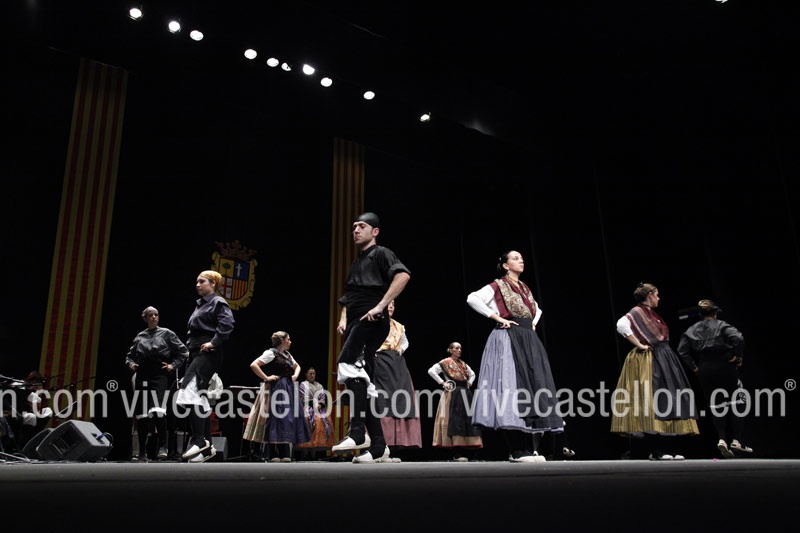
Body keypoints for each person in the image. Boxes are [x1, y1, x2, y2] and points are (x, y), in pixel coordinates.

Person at [466, 250, 563, 463]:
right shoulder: (498, 285)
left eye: (521, 258)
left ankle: (529, 447)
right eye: (515, 258)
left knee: (531, 388)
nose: (521, 261)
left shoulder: (524, 288)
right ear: (505, 265)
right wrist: (496, 317)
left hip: (527, 338)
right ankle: (516, 449)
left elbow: (537, 310)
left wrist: (533, 323)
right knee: (511, 388)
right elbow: (472, 298)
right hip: (509, 338)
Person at [331, 212, 411, 464]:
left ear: (374, 231)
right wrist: (344, 317)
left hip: (371, 320)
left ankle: (357, 431)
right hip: (357, 321)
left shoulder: (382, 253)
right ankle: (378, 445)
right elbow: (350, 295)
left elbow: (403, 275)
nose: (355, 230)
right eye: (354, 226)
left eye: (361, 226)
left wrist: (381, 306)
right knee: (362, 382)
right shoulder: (358, 262)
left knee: (348, 365)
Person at [611, 282, 699, 460]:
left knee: (669, 400)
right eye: (656, 295)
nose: (659, 298)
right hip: (650, 359)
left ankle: (668, 447)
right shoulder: (637, 312)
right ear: (649, 295)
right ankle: (657, 449)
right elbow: (621, 324)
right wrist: (639, 344)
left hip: (664, 356)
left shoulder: (651, 314)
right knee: (653, 400)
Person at [677, 299, 752, 458]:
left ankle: (722, 439)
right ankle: (737, 440)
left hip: (705, 368)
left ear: (700, 314)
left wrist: (694, 367)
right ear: (716, 312)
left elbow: (682, 350)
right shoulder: (722, 325)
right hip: (724, 365)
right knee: (737, 401)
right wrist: (738, 356)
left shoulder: (692, 329)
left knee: (716, 404)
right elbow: (738, 338)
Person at [177, 270, 235, 463]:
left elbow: (227, 325)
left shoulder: (218, 302)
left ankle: (200, 440)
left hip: (208, 353)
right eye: (197, 281)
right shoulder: (200, 305)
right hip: (196, 353)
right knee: (199, 397)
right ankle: (207, 448)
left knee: (188, 390)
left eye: (202, 281)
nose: (198, 285)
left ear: (213, 283)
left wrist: (213, 342)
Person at [125, 306, 189, 462]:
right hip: (142, 374)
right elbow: (129, 357)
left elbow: (184, 352)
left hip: (159, 375)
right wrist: (131, 365)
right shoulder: (140, 336)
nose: (154, 317)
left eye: (156, 314)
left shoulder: (167, 333)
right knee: (142, 415)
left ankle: (163, 446)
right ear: (145, 318)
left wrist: (173, 365)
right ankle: (142, 452)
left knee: (158, 410)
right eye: (150, 315)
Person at [372, 299, 422, 462]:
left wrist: (400, 349)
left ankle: (392, 447)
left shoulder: (399, 326)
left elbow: (405, 341)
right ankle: (379, 446)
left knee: (399, 399)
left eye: (393, 305)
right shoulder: (375, 323)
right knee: (382, 401)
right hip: (380, 362)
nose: (391, 307)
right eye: (389, 304)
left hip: (397, 364)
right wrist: (374, 351)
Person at [249, 331, 311, 462]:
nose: (290, 341)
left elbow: (297, 366)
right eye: (288, 339)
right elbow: (254, 365)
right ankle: (273, 453)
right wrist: (266, 377)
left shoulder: (287, 355)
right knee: (275, 418)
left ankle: (285, 452)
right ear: (282, 340)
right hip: (276, 387)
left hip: (288, 387)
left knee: (287, 419)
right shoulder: (271, 353)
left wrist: (295, 376)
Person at [427, 341, 483, 461]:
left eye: (460, 348)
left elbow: (472, 374)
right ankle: (457, 452)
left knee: (467, 421)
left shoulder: (463, 364)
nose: (459, 350)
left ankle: (469, 450)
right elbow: (431, 371)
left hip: (465, 393)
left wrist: (470, 382)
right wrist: (443, 383)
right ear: (450, 350)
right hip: (453, 393)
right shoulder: (445, 362)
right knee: (455, 421)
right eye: (456, 348)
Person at [294, 367, 336, 460]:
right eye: (310, 373)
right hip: (307, 408)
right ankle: (305, 453)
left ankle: (314, 453)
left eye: (313, 374)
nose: (312, 375)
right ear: (306, 374)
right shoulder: (303, 384)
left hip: (318, 409)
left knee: (320, 422)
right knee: (306, 422)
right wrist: (313, 404)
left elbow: (322, 397)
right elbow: (303, 398)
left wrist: (320, 405)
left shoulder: (319, 385)